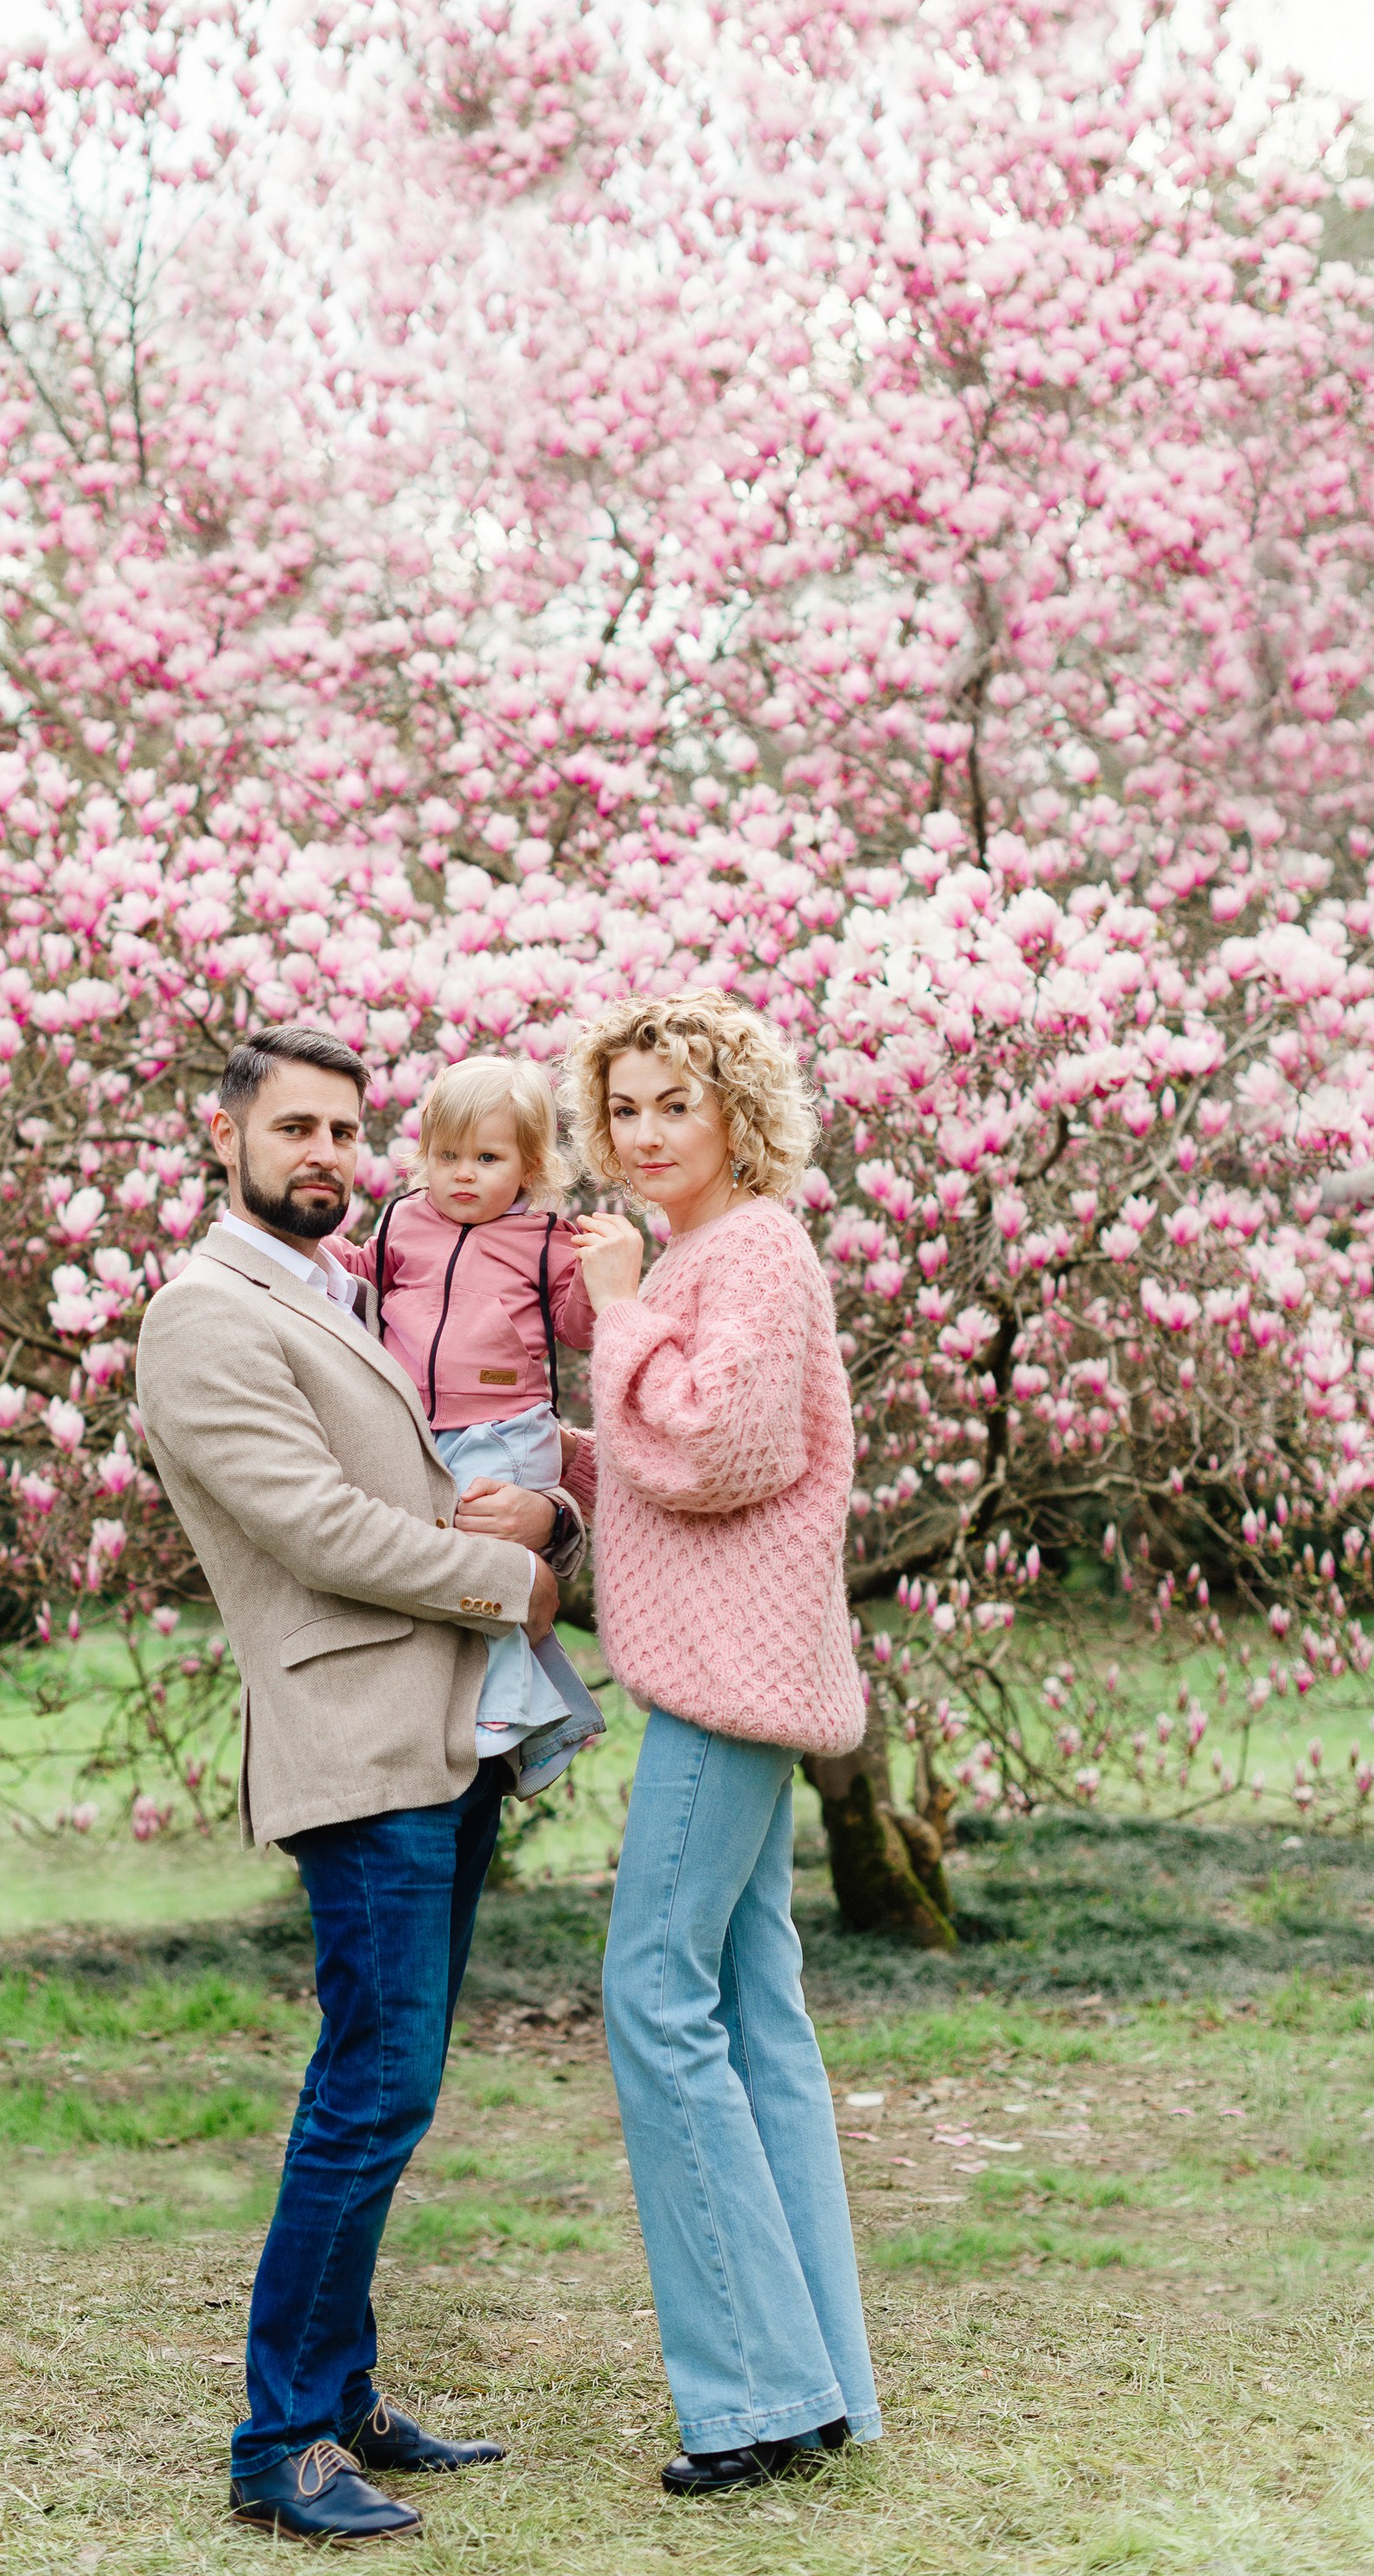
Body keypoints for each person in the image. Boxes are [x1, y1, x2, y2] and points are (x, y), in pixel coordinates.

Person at [134, 1023, 581, 2546]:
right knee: (368, 2095)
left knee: (390, 2087)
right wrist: (503, 1581)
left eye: (344, 1131)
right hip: (355, 1743)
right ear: (226, 1137)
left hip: (436, 1736)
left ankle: (342, 2393)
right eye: (295, 1130)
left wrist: (554, 1511)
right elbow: (317, 1528)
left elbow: (443, 1456)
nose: (326, 1154)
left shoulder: (350, 1288)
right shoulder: (205, 1315)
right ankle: (278, 2442)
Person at [559, 989, 881, 2492]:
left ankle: (753, 2397)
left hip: (727, 1684)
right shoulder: (708, 1255)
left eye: (672, 1102)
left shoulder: (745, 1248)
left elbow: (716, 1448)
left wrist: (620, 1309)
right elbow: (660, 1451)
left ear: (737, 1113)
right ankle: (820, 2385)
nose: (642, 1132)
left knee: (653, 1997)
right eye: (622, 1107)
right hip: (732, 1669)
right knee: (755, 2016)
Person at [323, 1053, 606, 1796]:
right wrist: (308, 1247)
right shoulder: (405, 1220)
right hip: (418, 1428)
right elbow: (366, 1272)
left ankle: (521, 1721)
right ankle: (532, 1712)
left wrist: (600, 1279)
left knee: (491, 1564)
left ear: (530, 1164)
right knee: (442, 1571)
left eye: (487, 1157)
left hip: (506, 1426)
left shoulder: (545, 1238)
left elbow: (579, 1326)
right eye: (447, 1156)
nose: (464, 1175)